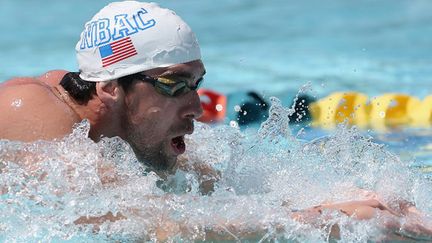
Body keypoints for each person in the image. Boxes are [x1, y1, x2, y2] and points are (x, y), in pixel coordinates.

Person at [0, 1, 431, 241]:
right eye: (174, 85)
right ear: (110, 87)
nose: (198, 109)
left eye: (197, 84)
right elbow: (146, 222)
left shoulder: (131, 130)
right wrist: (320, 221)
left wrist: (361, 203)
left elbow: (222, 190)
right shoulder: (31, 116)